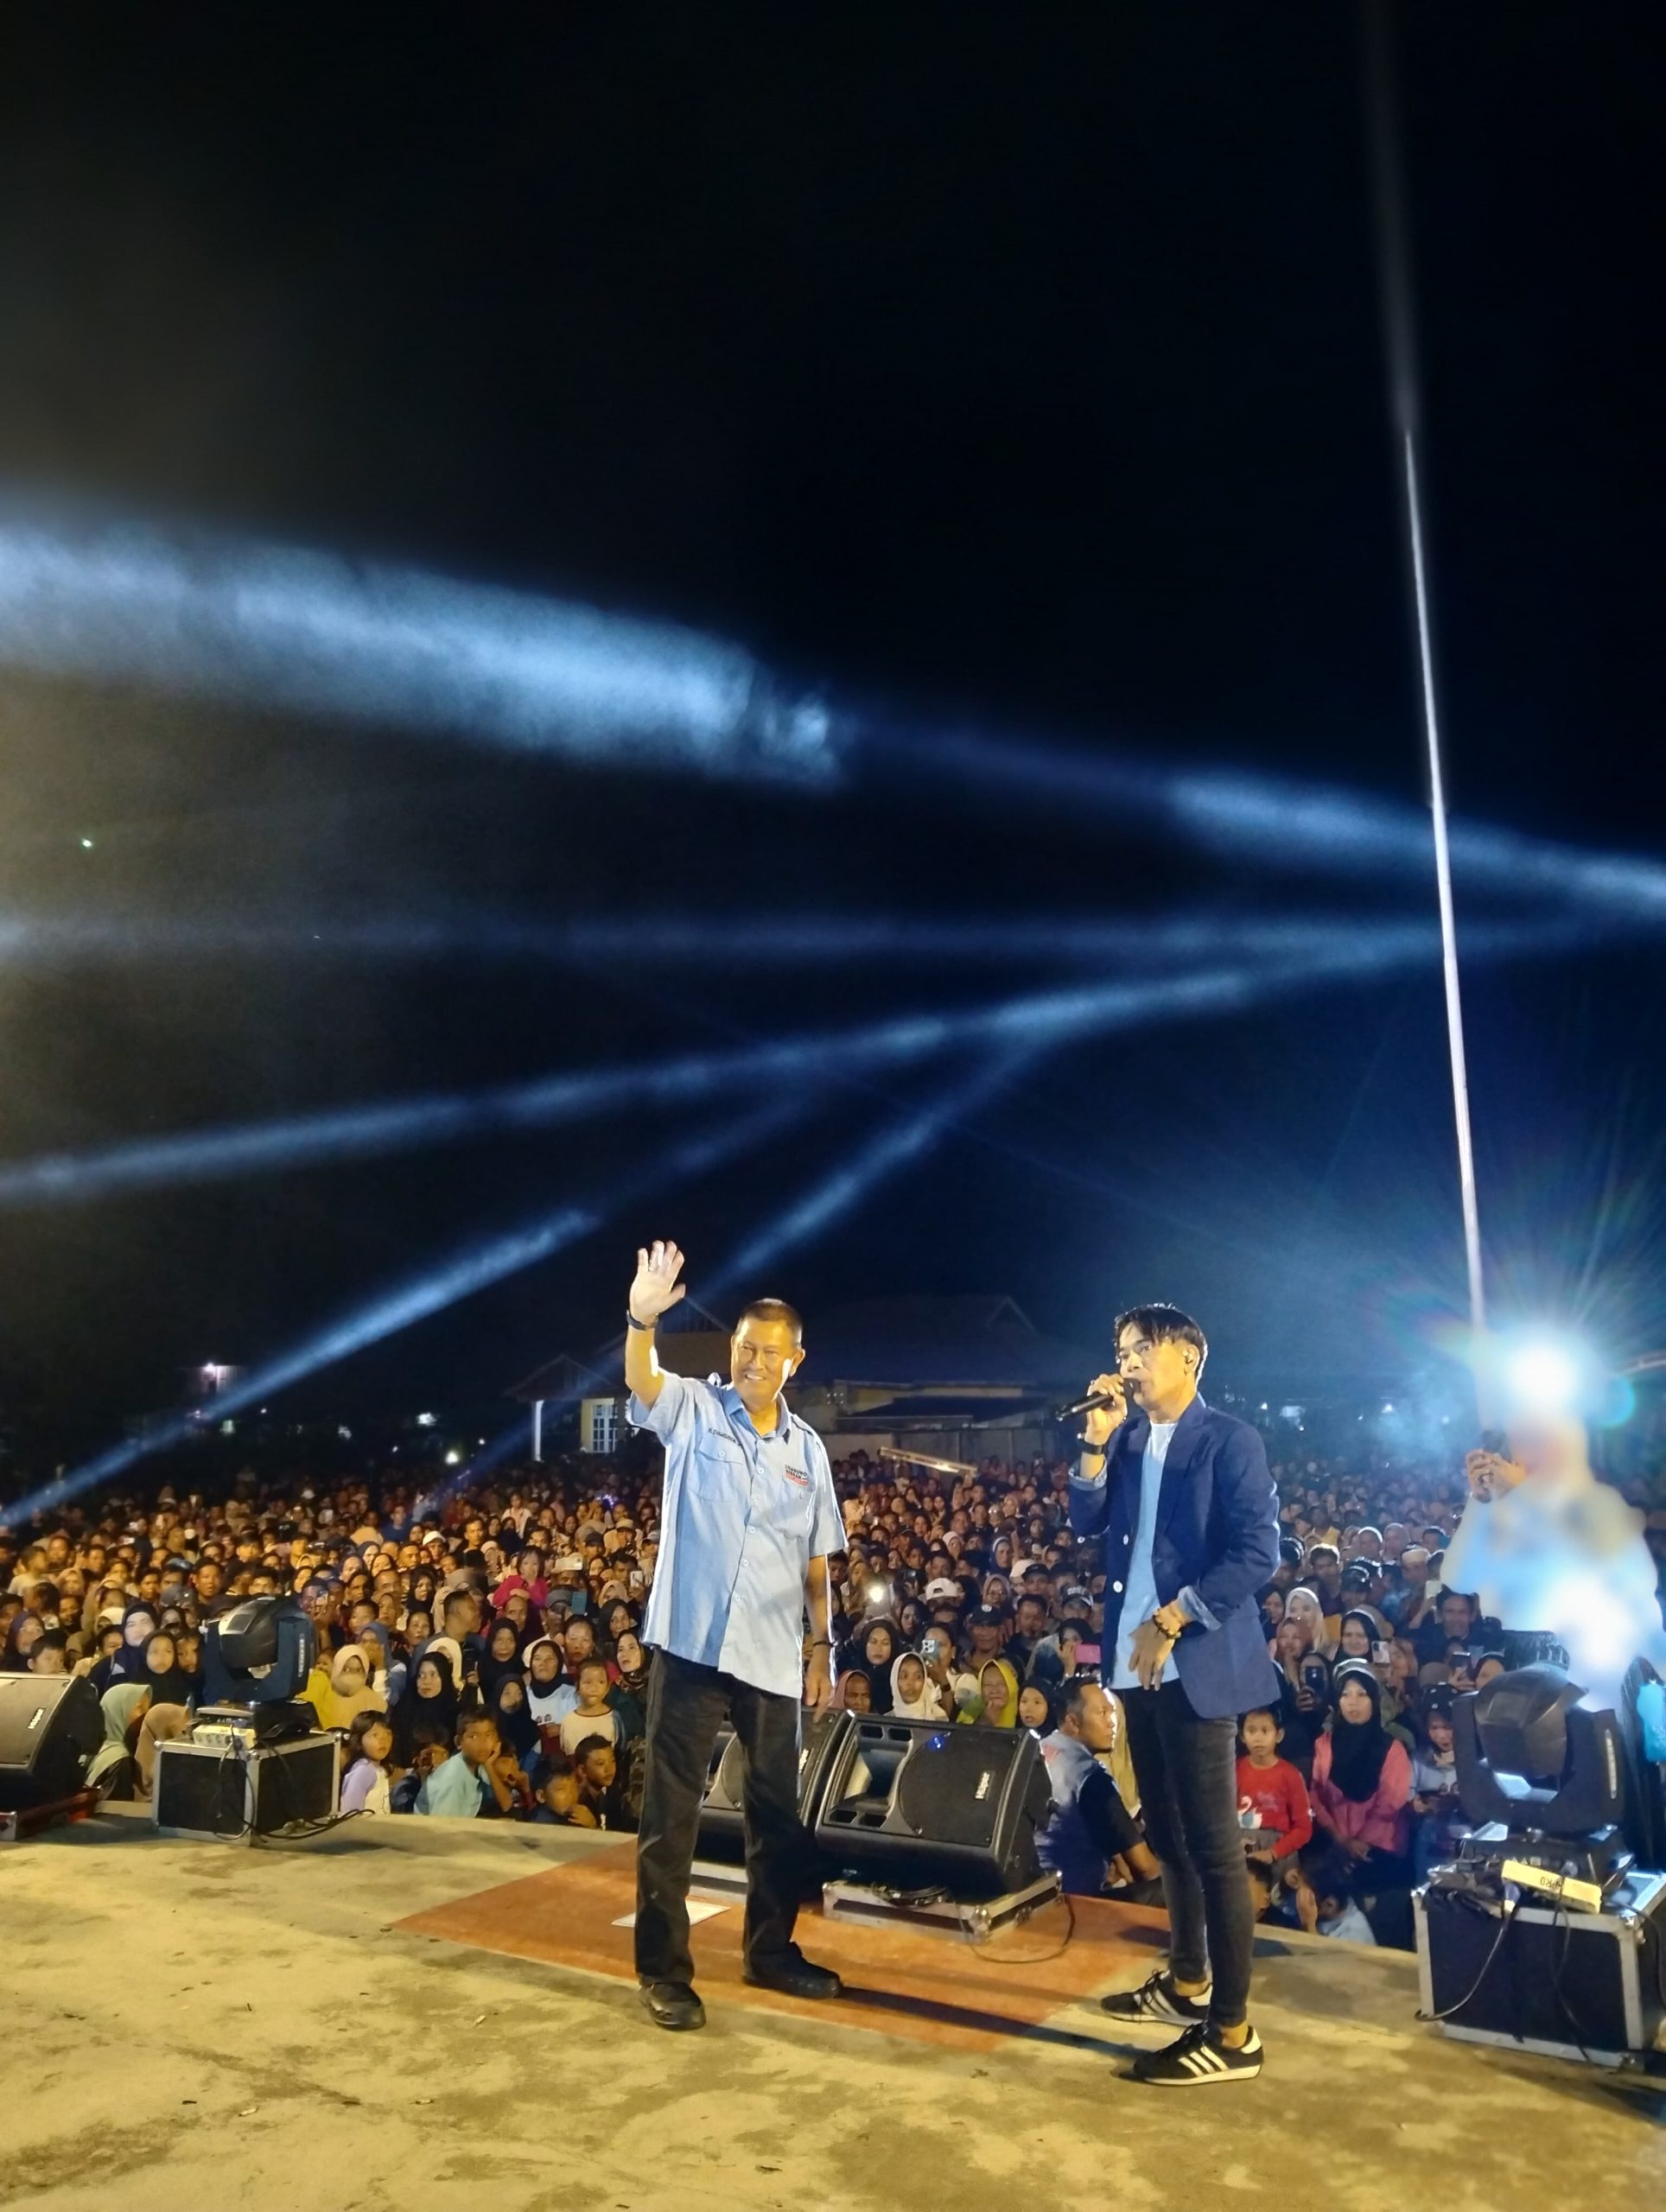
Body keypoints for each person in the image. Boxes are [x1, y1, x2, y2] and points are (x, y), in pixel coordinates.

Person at [623, 1241, 846, 2031]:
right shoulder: (694, 1409)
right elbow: (643, 1380)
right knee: (671, 1812)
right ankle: (663, 1971)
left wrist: (823, 1647)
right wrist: (641, 1321)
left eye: (769, 1352)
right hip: (690, 1644)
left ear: (795, 1362)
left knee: (775, 1813)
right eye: (745, 1347)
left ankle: (770, 1951)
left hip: (772, 1655)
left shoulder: (808, 1452)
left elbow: (817, 1561)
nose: (753, 1362)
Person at [1071, 1302, 1279, 2085]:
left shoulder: (1228, 1439)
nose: (1127, 1363)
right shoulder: (1125, 1437)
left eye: (1142, 1350)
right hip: (1136, 1667)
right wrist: (1094, 1444)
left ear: (1188, 1356)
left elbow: (1257, 1551)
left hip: (1196, 1661)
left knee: (1215, 1847)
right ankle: (1188, 1979)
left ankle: (1232, 2034)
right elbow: (1085, 1519)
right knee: (1168, 1835)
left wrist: (1176, 1616)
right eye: (1122, 1350)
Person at [1037, 1678, 1161, 1898]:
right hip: (1072, 1900)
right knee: (1174, 1891)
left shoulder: (1038, 1749)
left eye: (1111, 1712)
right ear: (1073, 1722)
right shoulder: (1089, 1776)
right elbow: (1146, 1868)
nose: (1112, 1722)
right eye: (1102, 1713)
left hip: (1034, 1888)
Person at [1235, 1708, 1313, 1863]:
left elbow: (1304, 1828)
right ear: (1242, 1736)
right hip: (1238, 1845)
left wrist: (1273, 1853)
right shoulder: (1234, 1770)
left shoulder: (1291, 1775)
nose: (1258, 1738)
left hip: (1279, 1849)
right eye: (1251, 1731)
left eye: (1265, 1731)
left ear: (1279, 1735)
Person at [416, 1711, 520, 1818]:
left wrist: (488, 1765)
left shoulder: (476, 1762)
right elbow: (441, 1825)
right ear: (458, 1742)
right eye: (474, 1737)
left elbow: (506, 1804)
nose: (482, 1743)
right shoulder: (453, 1779)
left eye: (488, 1735)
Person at [340, 1711, 396, 1815]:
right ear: (359, 1740)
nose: (383, 1740)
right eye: (375, 1735)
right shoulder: (363, 1771)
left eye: (388, 1734)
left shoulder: (381, 1769)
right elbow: (350, 1813)